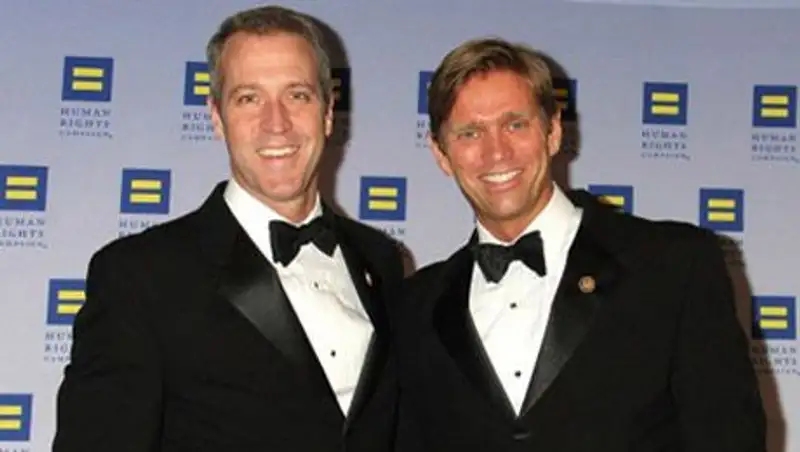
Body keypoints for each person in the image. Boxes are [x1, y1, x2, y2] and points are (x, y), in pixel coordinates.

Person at [53, 5, 404, 451]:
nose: (276, 123)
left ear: (328, 113)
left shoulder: (380, 259)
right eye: (249, 98)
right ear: (216, 118)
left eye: (297, 95)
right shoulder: (140, 276)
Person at [390, 37, 766, 451]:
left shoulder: (674, 265)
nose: (496, 152)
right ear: (441, 154)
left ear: (553, 131)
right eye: (470, 133)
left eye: (515, 125)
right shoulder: (415, 308)